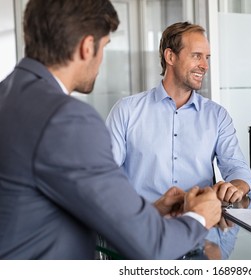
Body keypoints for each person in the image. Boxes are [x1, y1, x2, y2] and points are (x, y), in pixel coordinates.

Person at [0, 0, 222, 260]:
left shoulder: (8, 94)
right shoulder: (66, 118)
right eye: (104, 47)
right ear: (86, 47)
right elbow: (152, 246)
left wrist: (149, 212)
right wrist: (199, 217)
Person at [105, 21, 251, 204]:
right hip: (143, 222)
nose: (205, 65)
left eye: (207, 57)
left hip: (199, 223)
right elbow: (105, 173)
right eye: (196, 56)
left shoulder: (216, 115)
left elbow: (237, 169)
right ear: (170, 56)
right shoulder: (127, 110)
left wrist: (237, 186)